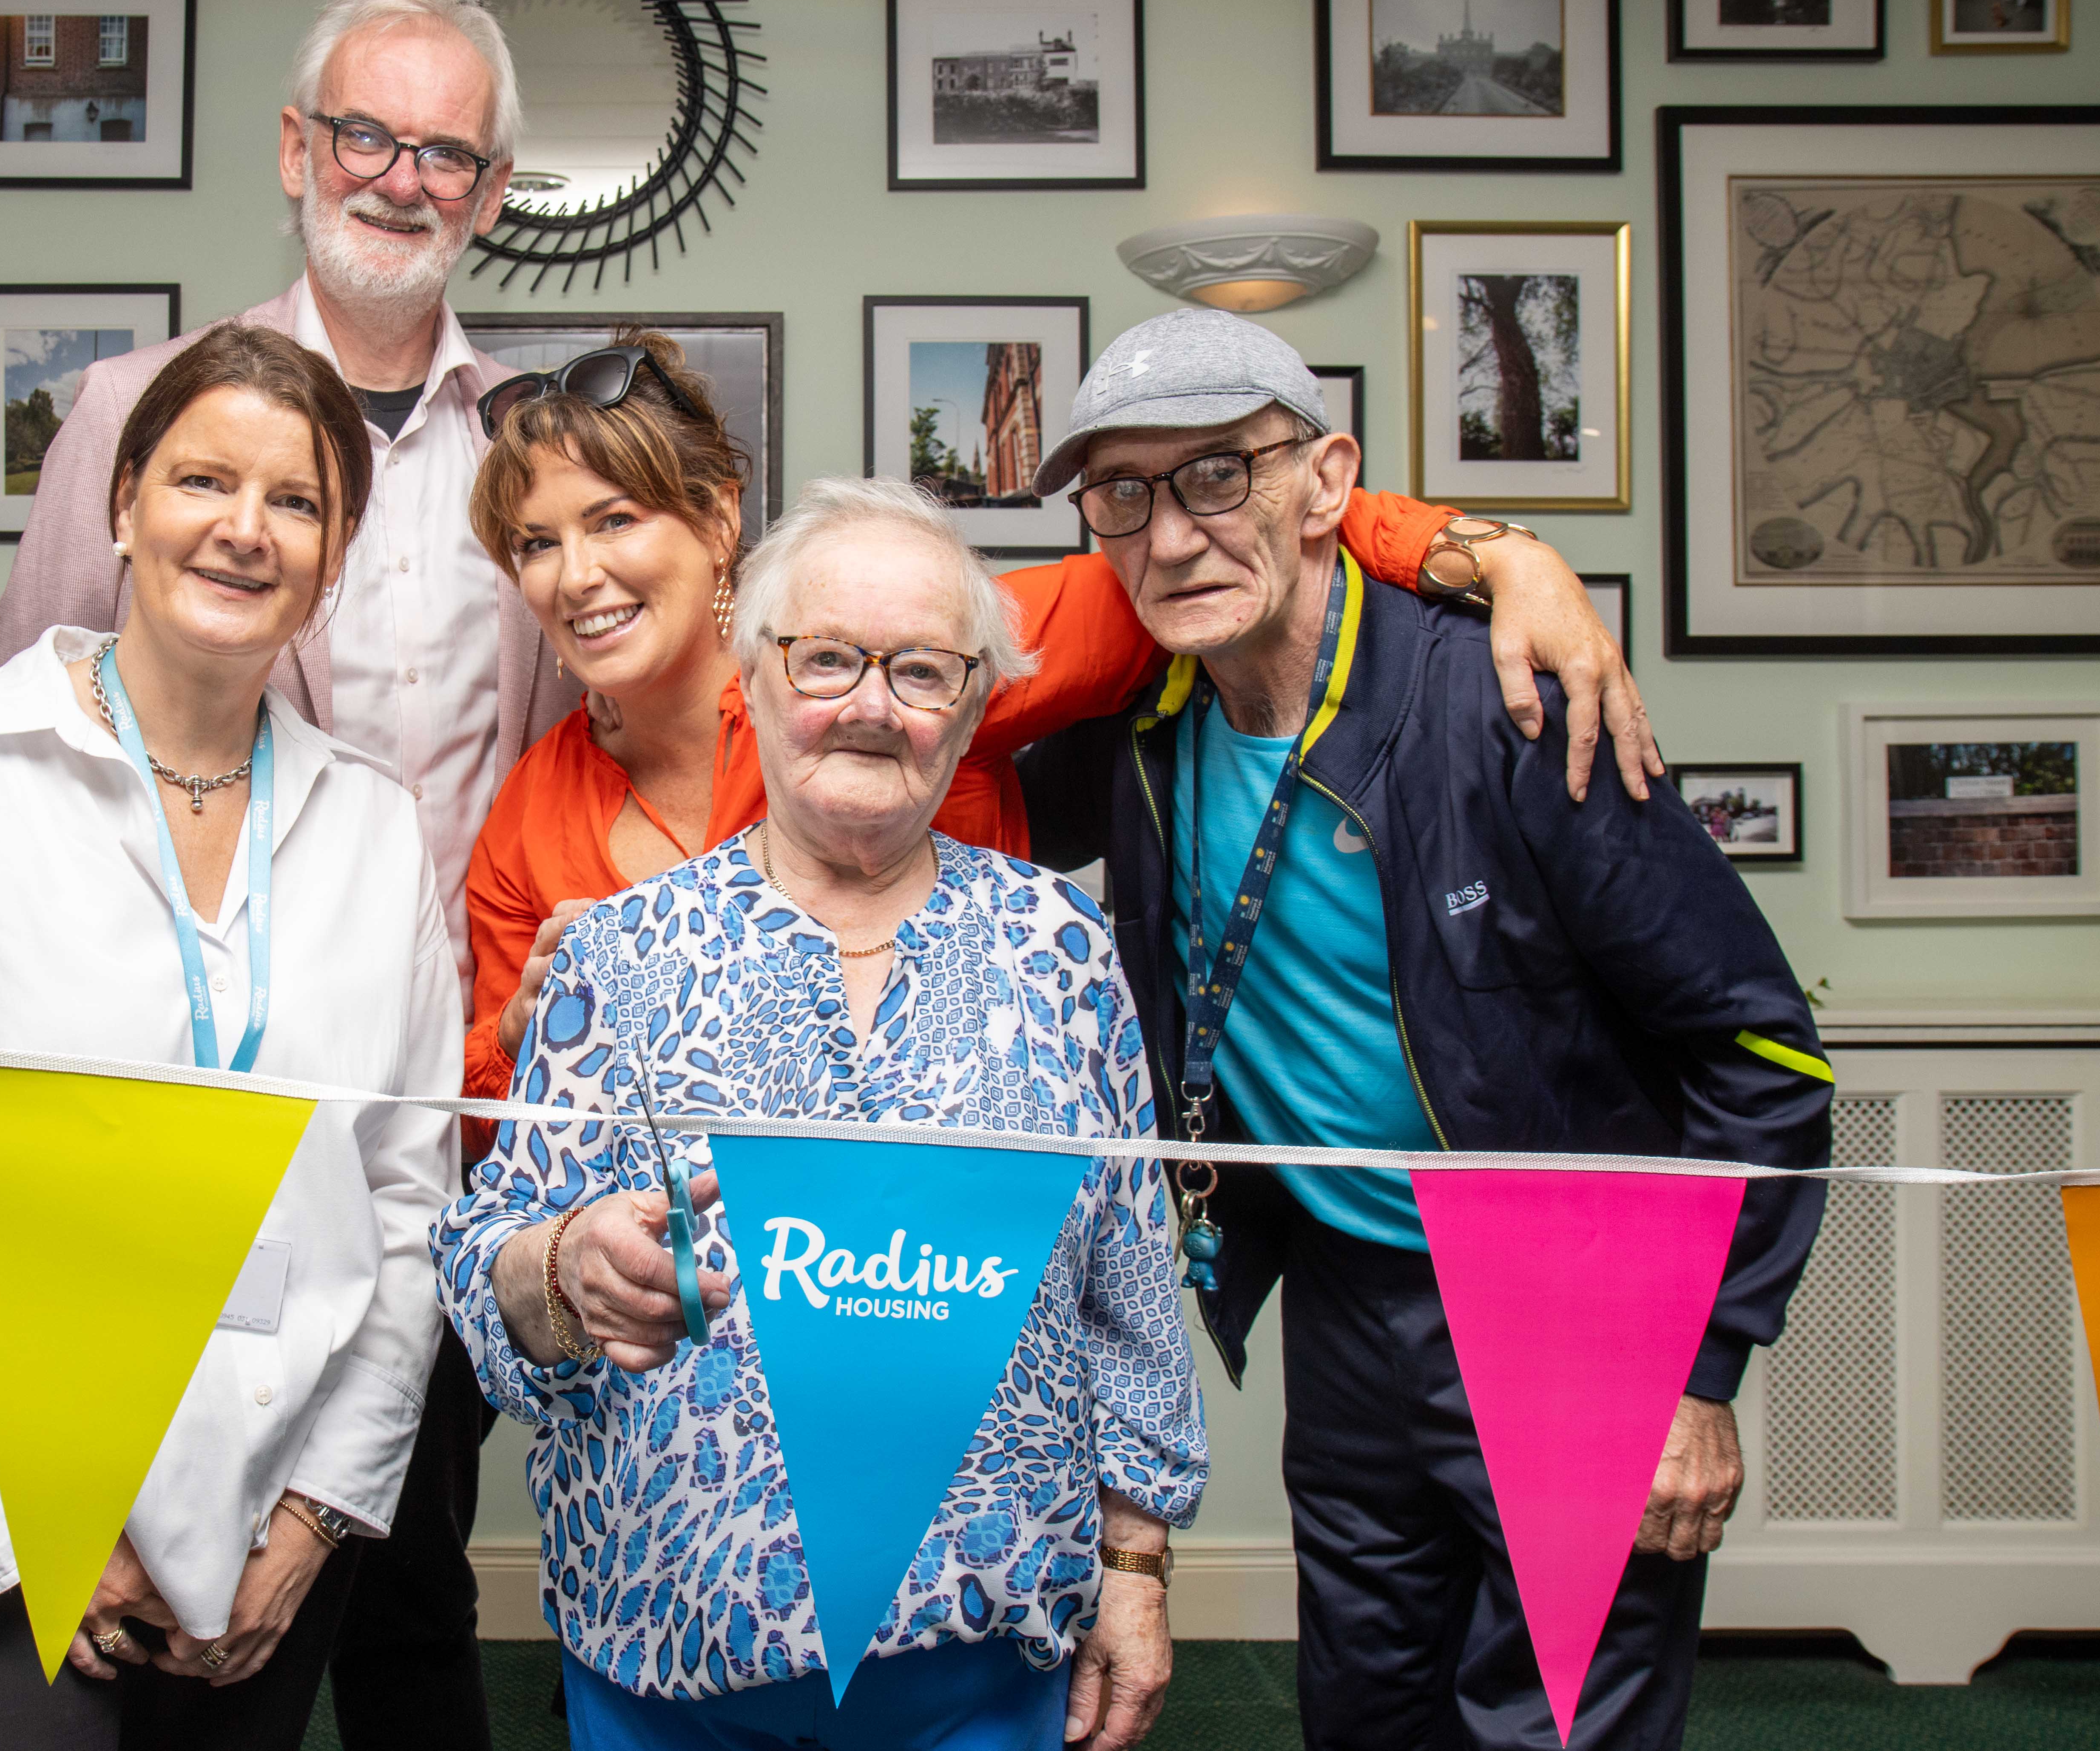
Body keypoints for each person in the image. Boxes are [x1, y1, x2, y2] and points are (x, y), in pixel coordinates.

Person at [1016, 310, 1834, 1751]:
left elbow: (1760, 1059)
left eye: (1218, 476)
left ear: (1325, 482)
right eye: (1123, 496)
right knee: (1368, 1718)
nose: (1171, 535)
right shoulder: (1139, 730)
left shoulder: (1512, 697)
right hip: (1346, 1298)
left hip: (1572, 1313)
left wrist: (1695, 1370)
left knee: (1554, 1729)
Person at [0, 0, 550, 1749]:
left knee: (404, 1564)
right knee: (148, 1567)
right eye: (367, 135)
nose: (402, 178)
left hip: (436, 1108)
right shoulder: (135, 407)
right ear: (300, 148)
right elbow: (30, 746)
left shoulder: (531, 442)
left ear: (492, 191)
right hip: (175, 1081)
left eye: (446, 151)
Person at [438, 477, 1203, 1751]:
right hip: (664, 1646)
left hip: (983, 1657)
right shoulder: (615, 956)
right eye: (828, 657)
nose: (867, 704)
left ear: (970, 710)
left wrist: (1137, 1572)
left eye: (920, 671)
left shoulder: (1060, 944)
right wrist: (564, 1268)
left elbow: (1128, 1286)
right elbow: (481, 1267)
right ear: (755, 672)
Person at [0, 324, 458, 1751]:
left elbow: (409, 1206)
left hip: (265, 1508)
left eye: (295, 502)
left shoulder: (376, 831)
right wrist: (30, 1503)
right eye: (202, 480)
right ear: (121, 503)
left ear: (332, 558)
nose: (243, 530)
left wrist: (320, 1514)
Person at [460, 329, 1663, 1099]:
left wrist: (1492, 553)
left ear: (717, 522)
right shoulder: (531, 812)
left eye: (614, 520)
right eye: (534, 543)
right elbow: (485, 1122)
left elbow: (1207, 544)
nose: (575, 575)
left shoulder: (905, 653)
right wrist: (530, 1032)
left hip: (974, 1252)